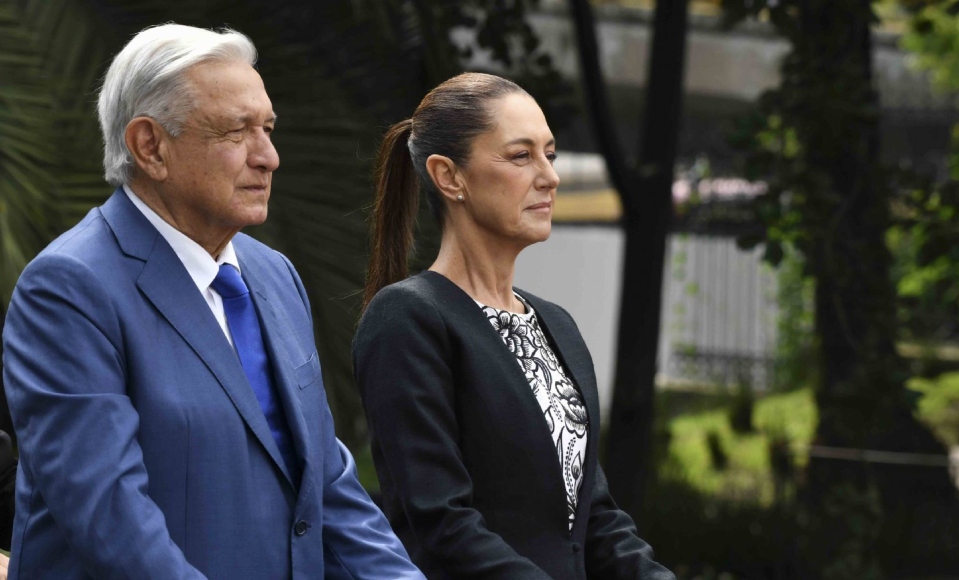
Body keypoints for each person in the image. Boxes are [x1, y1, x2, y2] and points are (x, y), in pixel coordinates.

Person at [1, 24, 423, 579]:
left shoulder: (274, 273)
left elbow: (325, 486)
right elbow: (112, 519)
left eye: (268, 129)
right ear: (149, 146)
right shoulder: (68, 288)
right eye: (235, 132)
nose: (268, 156)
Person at [353, 72, 675, 579]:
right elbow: (444, 525)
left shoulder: (557, 325)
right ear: (449, 176)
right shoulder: (409, 319)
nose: (550, 176)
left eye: (549, 153)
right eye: (521, 156)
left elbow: (597, 520)